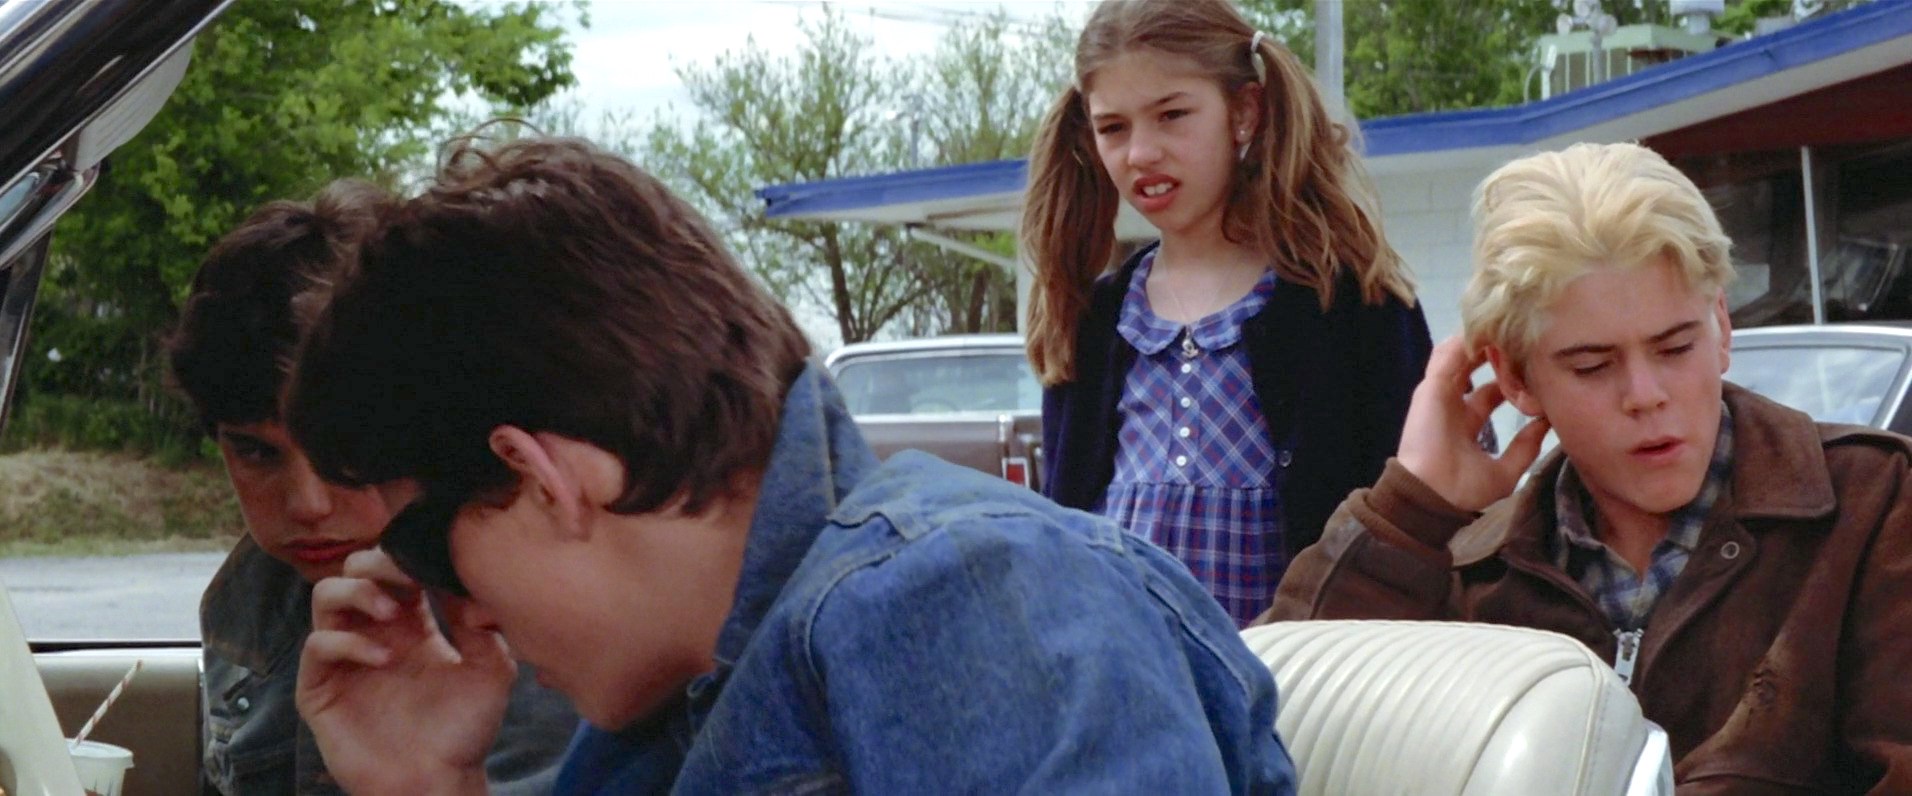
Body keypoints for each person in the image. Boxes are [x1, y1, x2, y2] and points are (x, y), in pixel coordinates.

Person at [279, 136, 1298, 794]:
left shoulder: (953, 594)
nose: (450, 606)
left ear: (543, 475)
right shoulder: (669, 698)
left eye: (423, 543)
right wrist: (424, 782)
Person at [1259, 142, 1912, 792]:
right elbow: (1260, 731)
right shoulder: (1463, 567)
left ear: (1721, 328)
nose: (1645, 393)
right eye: (1592, 365)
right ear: (1515, 377)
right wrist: (1410, 510)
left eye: (1676, 346)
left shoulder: (1876, 503)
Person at [1022, 0, 1430, 626]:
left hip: (1306, 702)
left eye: (1173, 115)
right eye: (1113, 128)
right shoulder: (1093, 319)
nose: (1141, 153)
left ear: (1244, 112)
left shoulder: (1353, 306)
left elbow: (1418, 526)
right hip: (1135, 697)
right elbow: (1066, 538)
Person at [166, 181, 577, 795]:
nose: (308, 503)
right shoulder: (249, 596)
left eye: (345, 450)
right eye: (255, 451)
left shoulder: (510, 620)